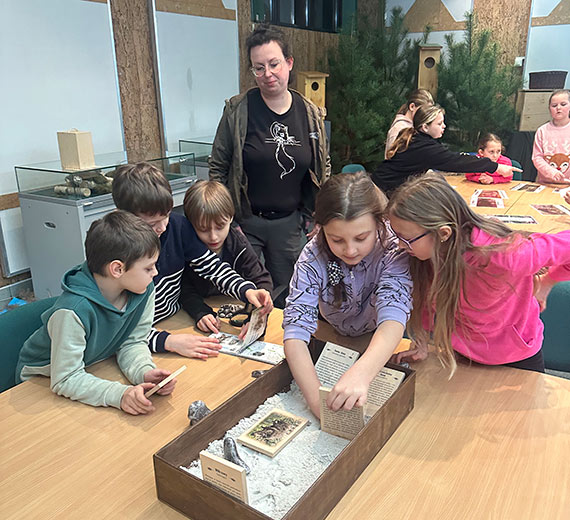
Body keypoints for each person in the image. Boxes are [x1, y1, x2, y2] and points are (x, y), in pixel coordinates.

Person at [387, 174, 570, 375]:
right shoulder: (423, 254)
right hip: (461, 352)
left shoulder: (506, 255)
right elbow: (425, 294)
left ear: (443, 234)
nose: (399, 244)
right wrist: (421, 339)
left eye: (406, 238)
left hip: (517, 355)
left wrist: (547, 283)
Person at [209, 24, 331, 296]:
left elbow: (323, 168)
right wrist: (225, 220)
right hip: (245, 222)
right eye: (259, 67)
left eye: (274, 64)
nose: (267, 74)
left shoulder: (310, 113)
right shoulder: (237, 110)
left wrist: (320, 214)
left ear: (289, 63)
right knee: (244, 291)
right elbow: (218, 167)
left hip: (290, 225)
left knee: (293, 293)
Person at [16, 211, 177, 414]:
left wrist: (144, 371)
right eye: (148, 268)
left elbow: (132, 342)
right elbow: (66, 378)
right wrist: (119, 395)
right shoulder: (72, 312)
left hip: (91, 366)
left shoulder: (143, 290)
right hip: (39, 385)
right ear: (117, 269)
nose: (155, 273)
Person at [283, 172, 412, 418]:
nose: (350, 250)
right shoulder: (313, 257)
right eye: (337, 240)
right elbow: (296, 331)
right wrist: (317, 402)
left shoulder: (393, 249)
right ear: (321, 229)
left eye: (361, 238)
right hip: (332, 336)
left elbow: (394, 312)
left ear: (379, 224)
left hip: (379, 341)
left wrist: (362, 372)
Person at [112, 162, 272, 359]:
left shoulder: (178, 227)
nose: (162, 227)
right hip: (145, 339)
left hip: (173, 320)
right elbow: (119, 331)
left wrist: (246, 290)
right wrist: (168, 341)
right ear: (126, 217)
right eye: (152, 223)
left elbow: (212, 267)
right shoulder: (117, 249)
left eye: (167, 215)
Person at [180, 180, 273, 334]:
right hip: (197, 312)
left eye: (220, 226)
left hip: (232, 308)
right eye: (202, 229)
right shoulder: (187, 246)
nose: (213, 237)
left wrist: (256, 318)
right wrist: (200, 311)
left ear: (230, 217)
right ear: (190, 224)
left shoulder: (239, 243)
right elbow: (183, 288)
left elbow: (261, 279)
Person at [372, 105, 520, 196]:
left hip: (387, 190)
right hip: (381, 193)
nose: (444, 126)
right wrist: (497, 167)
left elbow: (452, 157)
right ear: (425, 127)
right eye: (439, 123)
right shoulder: (423, 147)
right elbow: (455, 161)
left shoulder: (421, 141)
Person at [532, 89, 570, 184]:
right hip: (546, 183)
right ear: (549, 108)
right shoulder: (542, 131)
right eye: (554, 105)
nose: (558, 108)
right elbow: (537, 158)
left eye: (563, 104)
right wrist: (552, 172)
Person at [385, 88, 434, 158]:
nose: (425, 114)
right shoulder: (399, 128)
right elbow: (393, 159)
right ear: (412, 107)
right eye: (422, 111)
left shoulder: (416, 127)